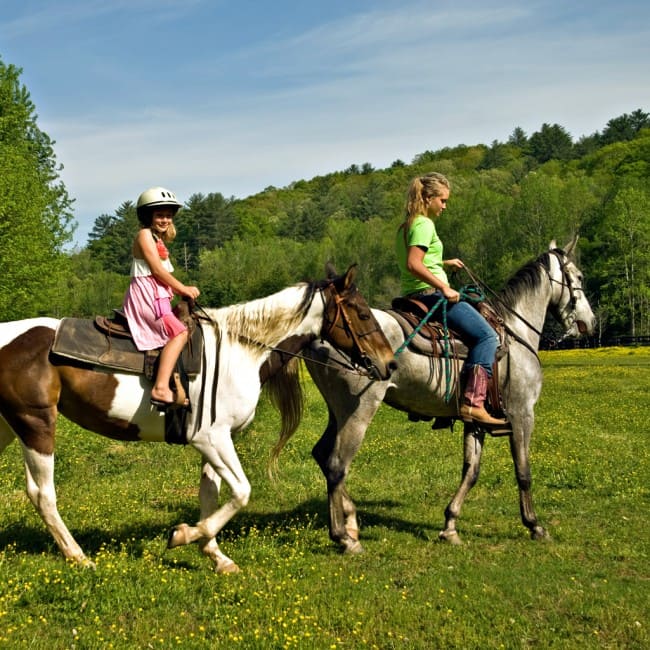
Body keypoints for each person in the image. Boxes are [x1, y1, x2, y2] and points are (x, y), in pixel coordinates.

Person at [395, 172, 507, 427]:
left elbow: (414, 261)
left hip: (412, 294)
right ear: (427, 197)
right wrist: (444, 287)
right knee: (488, 336)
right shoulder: (425, 225)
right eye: (442, 200)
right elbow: (414, 264)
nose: (445, 206)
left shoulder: (407, 225)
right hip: (431, 294)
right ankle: (474, 403)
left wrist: (444, 263)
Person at [123, 186, 200, 408]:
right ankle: (161, 387)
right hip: (146, 297)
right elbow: (157, 271)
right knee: (179, 333)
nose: (165, 219)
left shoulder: (158, 239)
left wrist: (181, 292)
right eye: (159, 215)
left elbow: (164, 276)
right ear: (148, 217)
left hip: (158, 298)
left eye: (168, 215)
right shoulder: (144, 235)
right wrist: (183, 288)